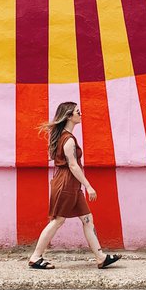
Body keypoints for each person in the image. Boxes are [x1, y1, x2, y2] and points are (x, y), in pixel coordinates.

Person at [27, 101, 122, 270]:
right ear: (69, 116)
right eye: (78, 112)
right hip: (66, 183)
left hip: (70, 184)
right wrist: (89, 186)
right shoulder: (68, 139)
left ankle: (101, 258)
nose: (81, 114)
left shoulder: (64, 136)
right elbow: (73, 165)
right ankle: (35, 257)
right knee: (57, 221)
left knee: (87, 219)